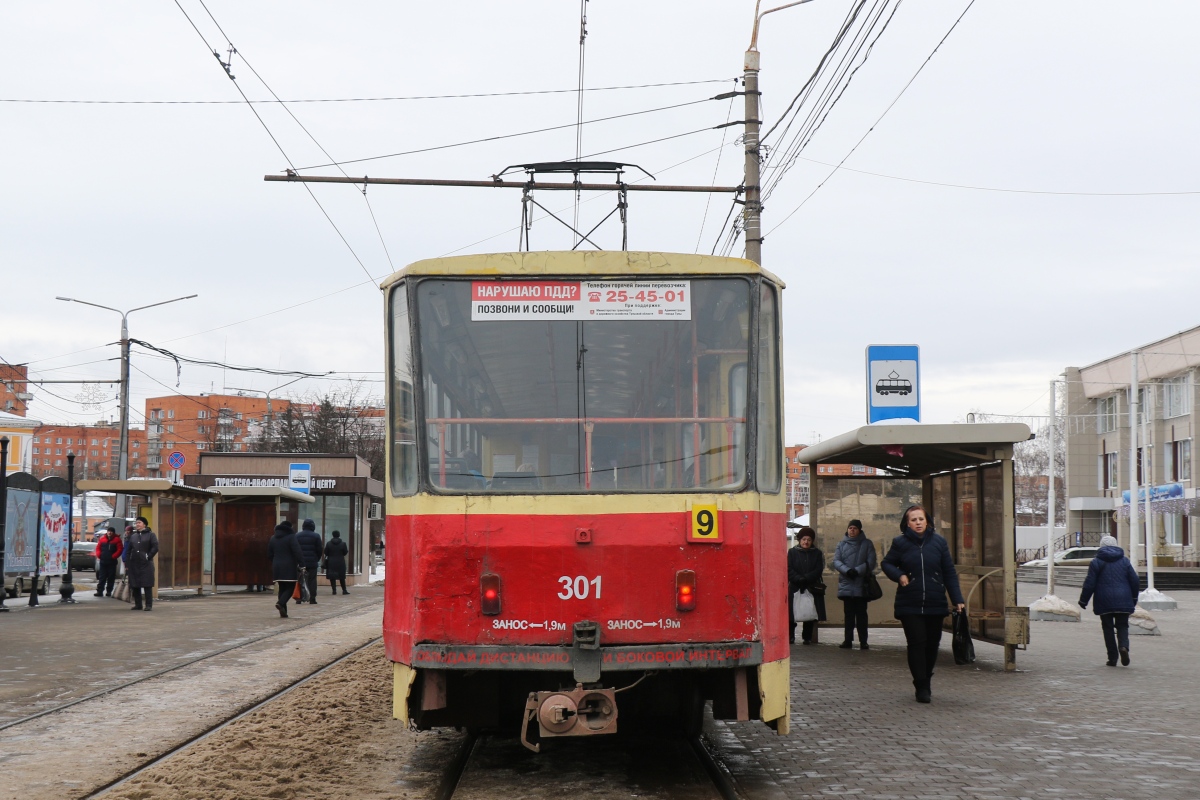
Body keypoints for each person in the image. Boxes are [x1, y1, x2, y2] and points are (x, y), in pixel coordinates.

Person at [881, 505, 965, 703]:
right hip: (909, 602)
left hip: (935, 602)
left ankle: (926, 677)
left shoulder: (939, 542)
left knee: (932, 645)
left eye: (921, 519)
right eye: (913, 520)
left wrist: (957, 599)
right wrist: (899, 575)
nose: (918, 523)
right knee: (917, 643)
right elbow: (887, 563)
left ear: (927, 521)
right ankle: (921, 685)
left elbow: (949, 572)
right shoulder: (900, 543)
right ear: (907, 523)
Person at [1079, 535, 1140, 667]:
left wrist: (1084, 600)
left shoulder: (1096, 562)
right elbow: (1134, 580)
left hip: (1103, 600)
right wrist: (1134, 597)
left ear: (1101, 546)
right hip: (1124, 599)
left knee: (1107, 628)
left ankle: (1112, 658)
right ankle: (1123, 647)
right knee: (1123, 625)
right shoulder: (1124, 561)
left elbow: (1090, 583)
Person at [832, 519, 877, 650]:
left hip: (861, 585)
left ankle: (864, 641)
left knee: (862, 615)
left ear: (860, 530)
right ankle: (848, 640)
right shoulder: (841, 544)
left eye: (855, 528)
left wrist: (857, 571)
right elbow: (836, 561)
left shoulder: (867, 544)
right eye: (850, 528)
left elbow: (871, 562)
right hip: (846, 584)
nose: (852, 530)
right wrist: (847, 570)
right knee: (848, 615)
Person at [787, 526, 826, 644]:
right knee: (791, 612)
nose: (806, 542)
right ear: (799, 540)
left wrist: (807, 578)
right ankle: (790, 636)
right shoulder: (792, 552)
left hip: (811, 585)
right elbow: (788, 568)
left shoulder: (817, 553)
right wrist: (798, 578)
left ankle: (807, 637)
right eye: (804, 539)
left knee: (809, 611)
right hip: (795, 586)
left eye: (809, 539)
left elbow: (819, 569)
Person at [268, 520, 304, 618]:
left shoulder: (273, 538)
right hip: (289, 566)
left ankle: (283, 611)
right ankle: (280, 603)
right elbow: (297, 551)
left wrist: (276, 562)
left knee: (282, 588)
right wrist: (302, 564)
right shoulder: (291, 537)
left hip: (277, 566)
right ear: (289, 528)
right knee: (290, 587)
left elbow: (270, 554)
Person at [125, 517, 160, 612]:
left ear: (144, 524)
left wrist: (148, 556)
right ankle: (138, 604)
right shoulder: (133, 536)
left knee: (147, 584)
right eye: (136, 523)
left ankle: (148, 605)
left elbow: (155, 547)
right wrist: (127, 562)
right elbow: (128, 550)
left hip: (146, 563)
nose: (137, 524)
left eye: (139, 523)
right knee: (135, 584)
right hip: (134, 563)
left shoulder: (151, 535)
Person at [296, 519, 323, 605]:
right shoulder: (316, 536)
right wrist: (316, 559)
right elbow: (320, 550)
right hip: (312, 562)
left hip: (300, 562)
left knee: (300, 579)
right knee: (312, 580)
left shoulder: (297, 536)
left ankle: (299, 598)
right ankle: (312, 598)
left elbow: (295, 549)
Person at [93, 526, 123, 597]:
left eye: (111, 531)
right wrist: (99, 555)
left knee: (111, 577)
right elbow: (98, 548)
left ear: (113, 532)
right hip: (103, 561)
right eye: (108, 531)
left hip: (112, 562)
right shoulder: (102, 539)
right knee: (101, 577)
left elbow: (120, 549)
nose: (109, 533)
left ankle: (109, 591)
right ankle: (100, 591)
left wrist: (113, 556)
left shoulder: (117, 540)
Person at [323, 530, 350, 595]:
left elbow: (325, 552)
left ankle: (334, 590)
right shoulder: (343, 544)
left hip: (331, 562)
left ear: (332, 535)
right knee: (342, 576)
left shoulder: (328, 543)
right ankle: (344, 590)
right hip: (340, 561)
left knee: (332, 577)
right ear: (339, 535)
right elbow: (345, 552)